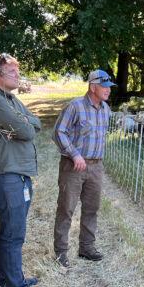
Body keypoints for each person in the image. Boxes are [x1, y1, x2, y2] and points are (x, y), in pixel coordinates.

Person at [0, 53, 50, 287]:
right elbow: (27, 130)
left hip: (17, 173)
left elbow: (34, 123)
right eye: (12, 72)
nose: (18, 75)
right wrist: (22, 124)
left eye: (18, 71)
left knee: (10, 231)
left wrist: (22, 122)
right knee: (13, 233)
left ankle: (8, 279)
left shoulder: (10, 99)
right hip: (6, 174)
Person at [52, 69, 114, 268]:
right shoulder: (75, 106)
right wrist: (74, 154)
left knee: (92, 208)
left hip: (96, 166)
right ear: (92, 86)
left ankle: (86, 247)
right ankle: (61, 252)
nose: (108, 91)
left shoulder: (105, 109)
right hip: (73, 166)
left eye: (109, 87)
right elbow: (59, 132)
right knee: (66, 208)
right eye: (104, 87)